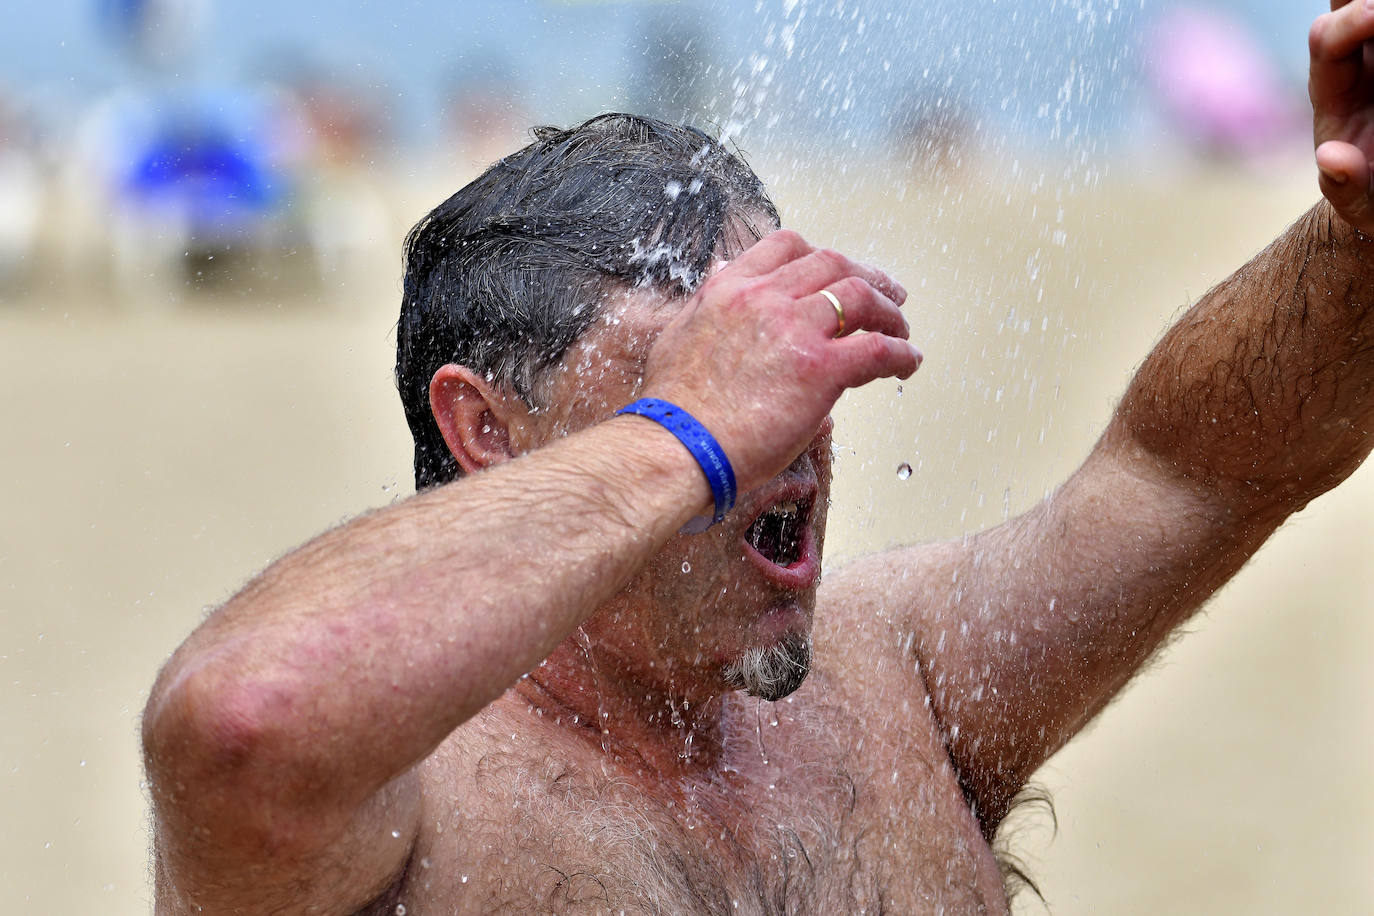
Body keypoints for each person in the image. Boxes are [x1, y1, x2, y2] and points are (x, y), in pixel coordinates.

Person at [141, 6, 1374, 913]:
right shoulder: (410, 798)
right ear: (486, 430)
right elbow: (243, 722)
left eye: (797, 351)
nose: (781, 428)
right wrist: (689, 438)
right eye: (718, 366)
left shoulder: (903, 676)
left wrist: (1359, 240)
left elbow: (1191, 468)